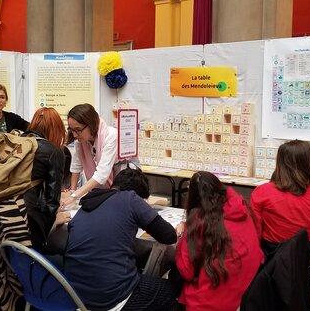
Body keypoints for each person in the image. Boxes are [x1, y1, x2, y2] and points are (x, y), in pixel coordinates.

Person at [61, 168, 180, 310]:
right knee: (173, 292)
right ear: (137, 195)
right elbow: (168, 235)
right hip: (113, 297)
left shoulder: (86, 205)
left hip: (76, 297)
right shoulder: (130, 198)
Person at [0, 107, 66, 266]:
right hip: (17, 239)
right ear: (57, 130)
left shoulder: (10, 142)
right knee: (60, 258)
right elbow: (51, 204)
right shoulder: (53, 151)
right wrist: (47, 232)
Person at [175, 171, 264, 311]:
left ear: (193, 198)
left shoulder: (200, 223)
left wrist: (182, 236)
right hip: (246, 290)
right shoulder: (243, 209)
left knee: (174, 276)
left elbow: (187, 271)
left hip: (211, 301)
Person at [250, 139, 310, 258]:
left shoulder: (263, 192)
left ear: (280, 163)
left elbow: (254, 234)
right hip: (305, 259)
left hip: (272, 259)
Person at [61, 103, 118, 207]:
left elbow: (102, 174)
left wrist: (74, 196)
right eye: (71, 130)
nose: (74, 135)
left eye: (78, 130)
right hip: (100, 191)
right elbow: (76, 166)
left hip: (120, 186)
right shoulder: (80, 141)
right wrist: (72, 190)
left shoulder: (111, 135)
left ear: (91, 124)